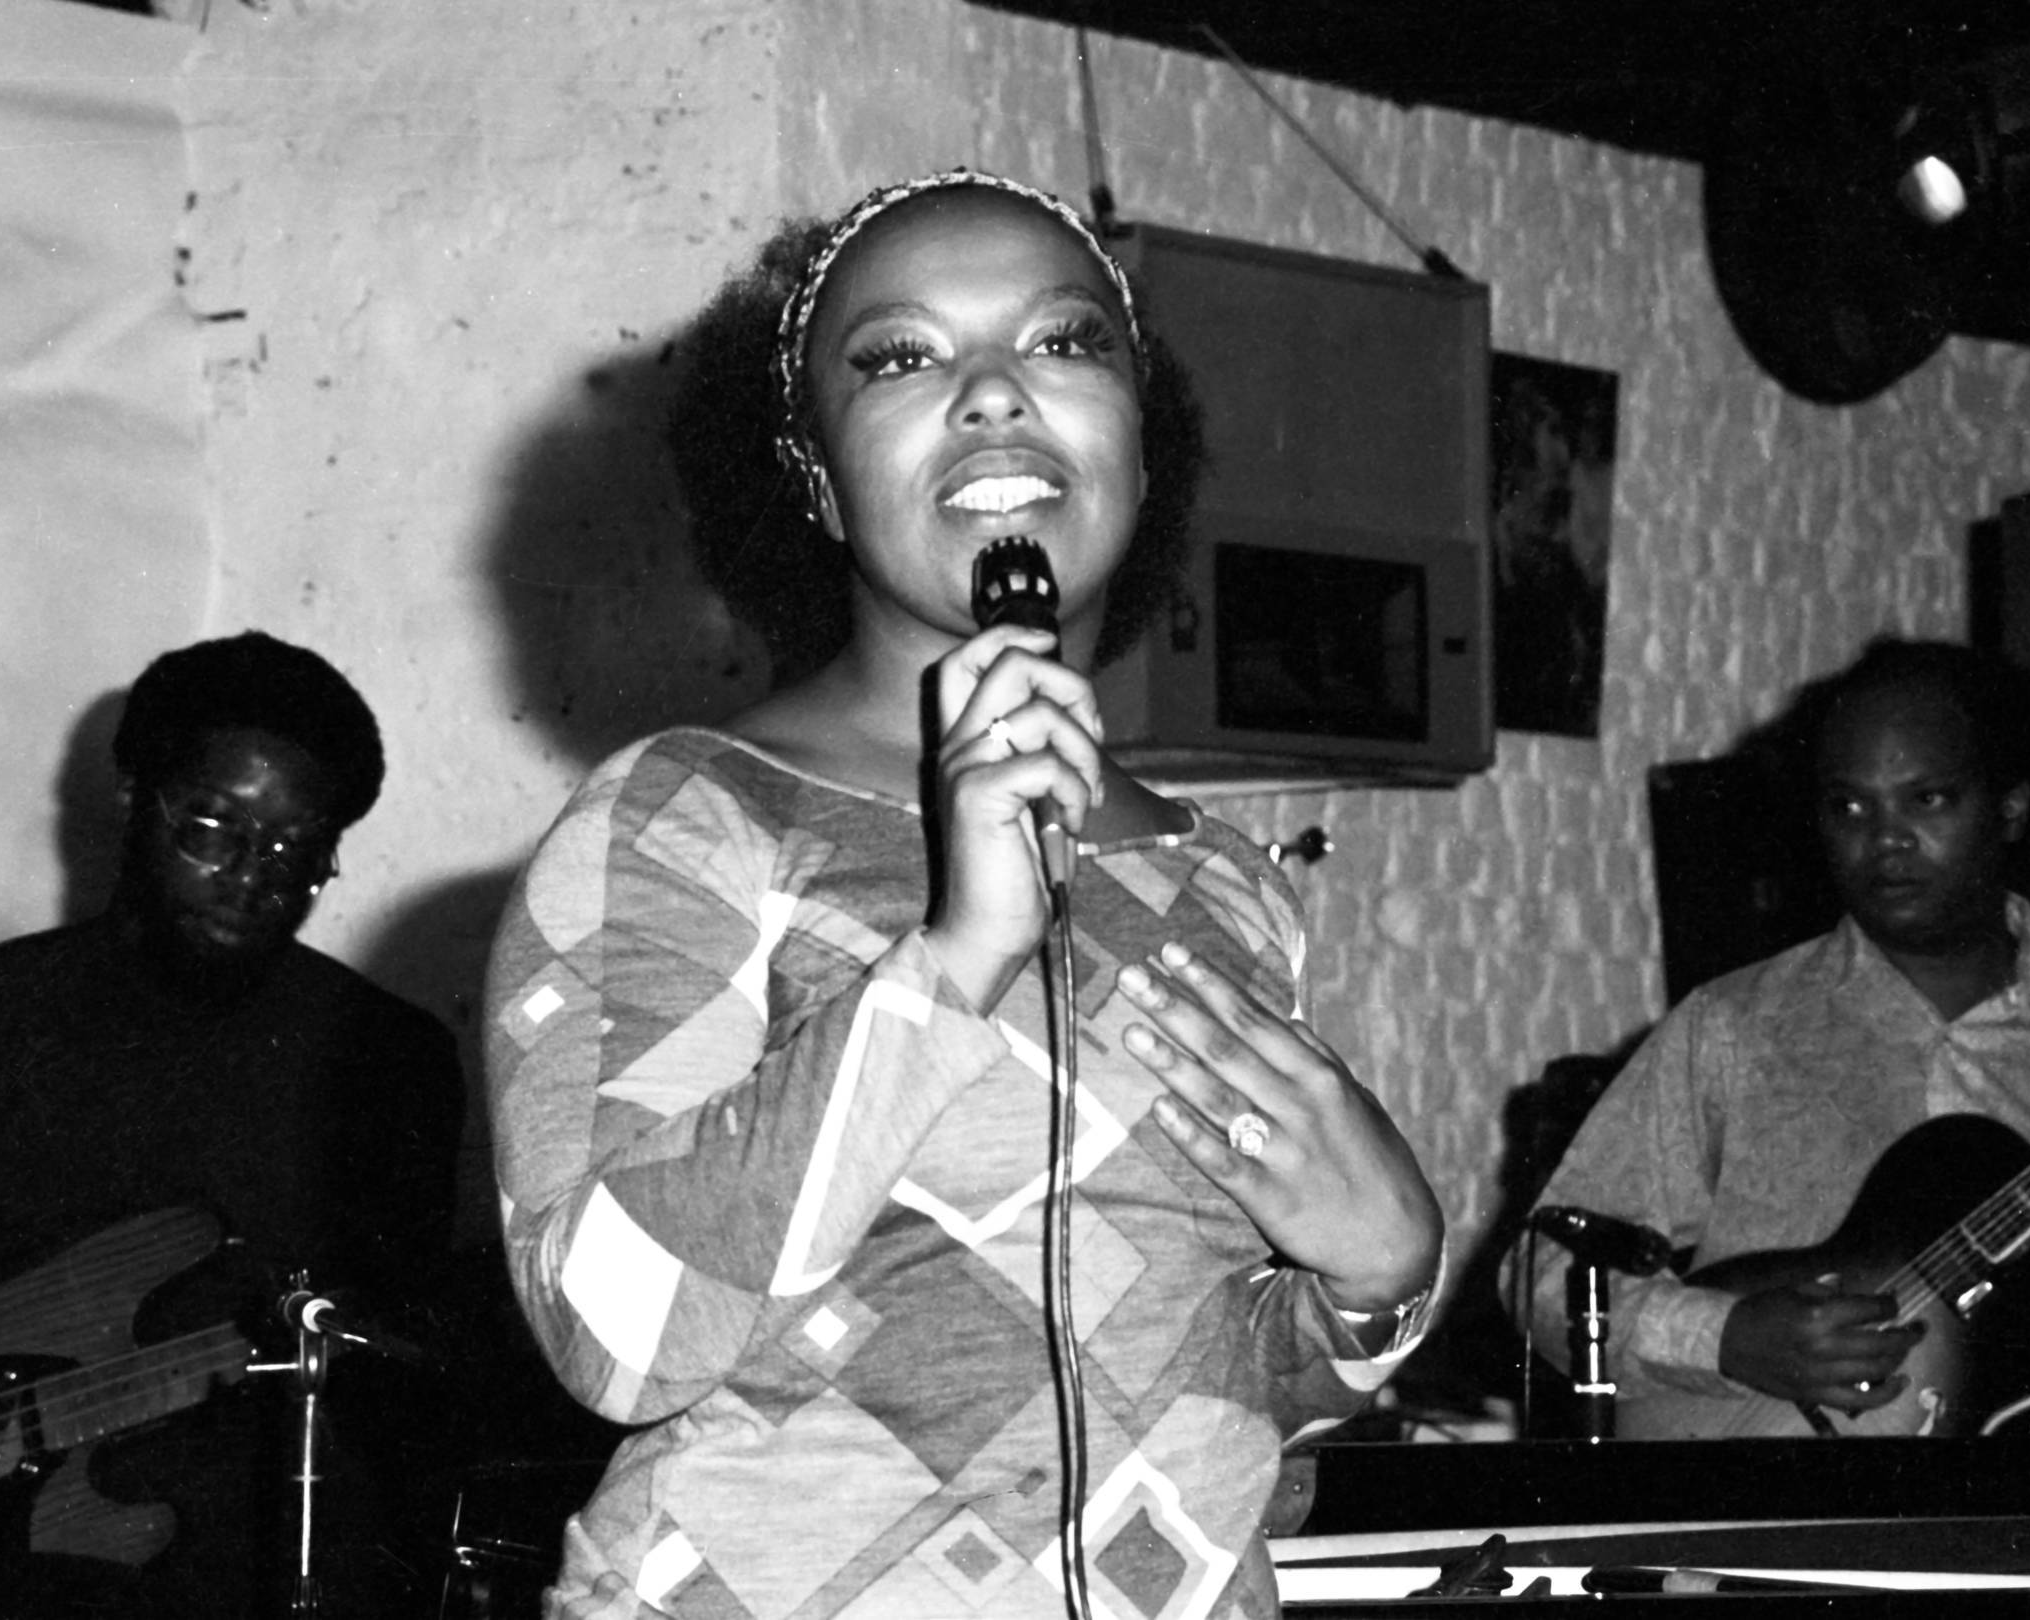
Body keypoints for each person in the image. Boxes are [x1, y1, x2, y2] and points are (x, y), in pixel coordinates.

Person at [485, 170, 1446, 1619]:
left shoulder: (1227, 883)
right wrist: (955, 958)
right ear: (815, 475)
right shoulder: (685, 816)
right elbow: (613, 1335)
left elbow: (1203, 1406)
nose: (995, 392)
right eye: (902, 357)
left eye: (1063, 342)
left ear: (1140, 444)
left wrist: (1380, 1283)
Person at [1510, 636, 2030, 1438]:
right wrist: (1725, 1338)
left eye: (1928, 799)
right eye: (1849, 806)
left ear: (2011, 808)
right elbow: (1544, 1271)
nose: (1886, 839)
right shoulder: (1730, 1028)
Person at [0, 630, 466, 1616]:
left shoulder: (388, 1057)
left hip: (255, 1570)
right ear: (131, 797)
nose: (252, 873)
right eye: (213, 827)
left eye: (296, 849)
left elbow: (402, 1389)